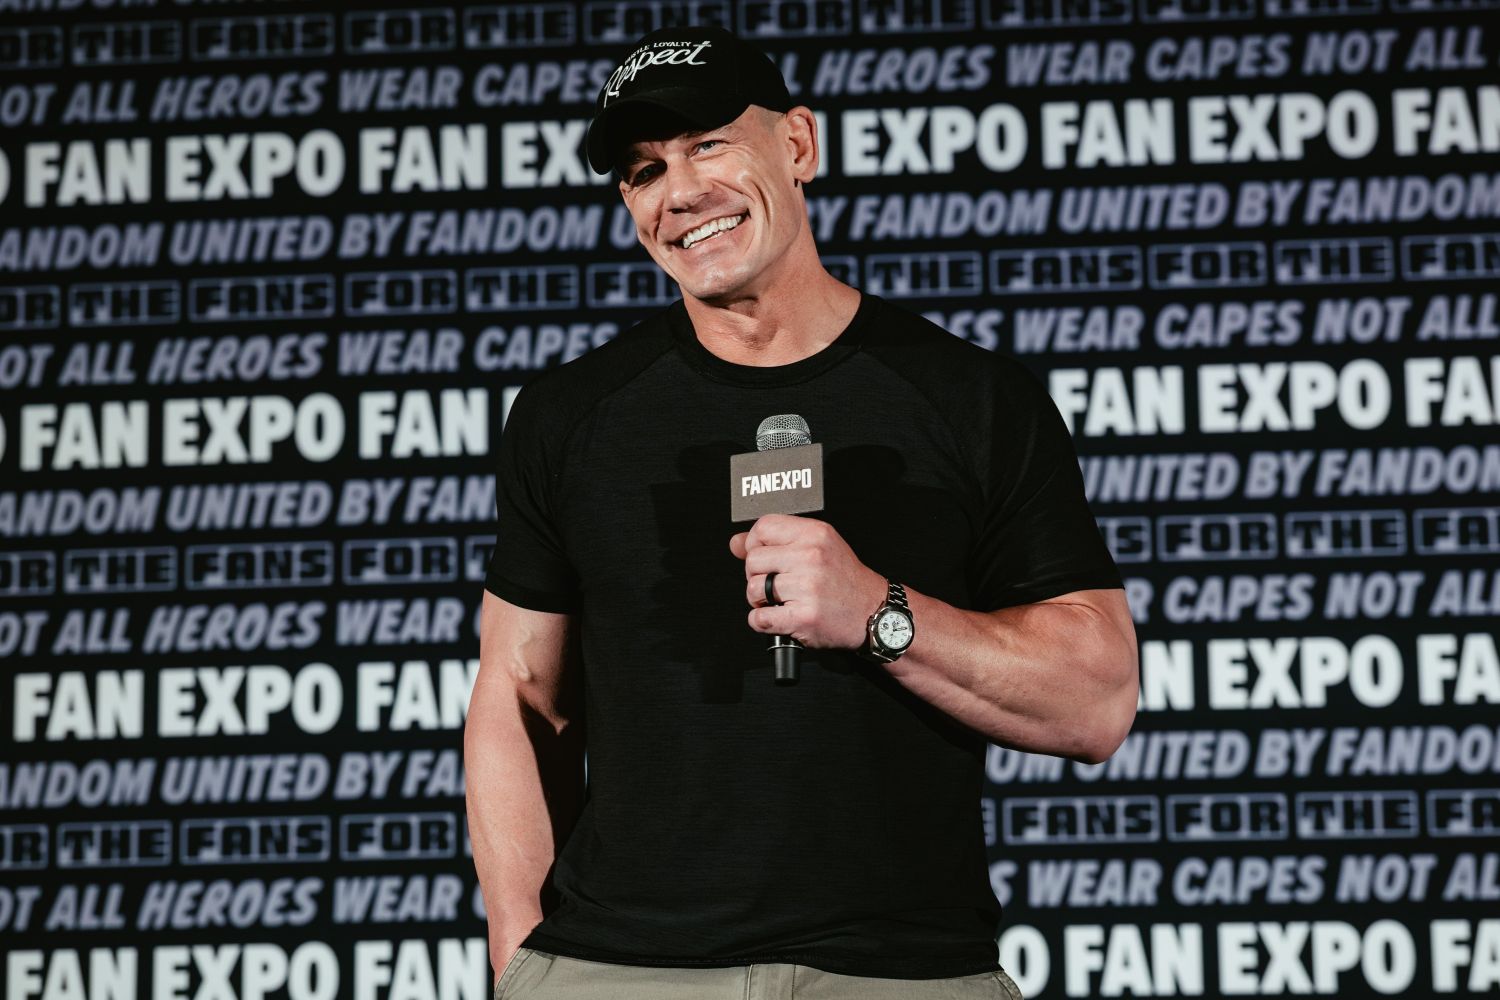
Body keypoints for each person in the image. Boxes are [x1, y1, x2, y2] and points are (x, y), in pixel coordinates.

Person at [464, 25, 1138, 1000]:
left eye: (707, 145)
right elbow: (520, 690)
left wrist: (876, 612)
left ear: (799, 145)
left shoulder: (970, 399)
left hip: (903, 970)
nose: (679, 191)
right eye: (644, 170)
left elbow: (1096, 700)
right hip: (623, 969)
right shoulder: (572, 416)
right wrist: (524, 961)